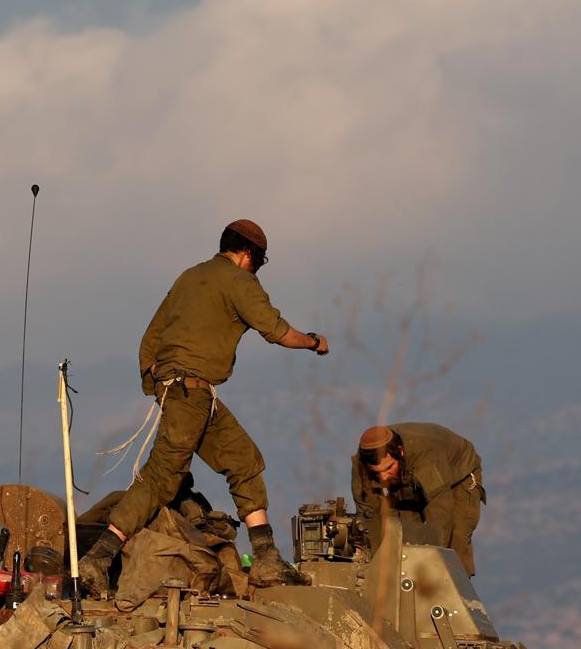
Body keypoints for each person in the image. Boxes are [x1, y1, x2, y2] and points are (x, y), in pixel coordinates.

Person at [75, 219, 329, 595]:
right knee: (161, 479)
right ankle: (97, 559)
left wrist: (160, 384)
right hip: (190, 395)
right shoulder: (239, 281)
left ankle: (265, 558)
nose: (257, 270)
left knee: (243, 460)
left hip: (191, 395)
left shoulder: (189, 277)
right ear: (248, 254)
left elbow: (151, 339)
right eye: (259, 262)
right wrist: (313, 342)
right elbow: (276, 331)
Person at [351, 423, 485, 575]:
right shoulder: (361, 467)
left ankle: (448, 584)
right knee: (402, 536)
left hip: (458, 476)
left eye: (388, 468)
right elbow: (370, 517)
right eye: (377, 472)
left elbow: (440, 512)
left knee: (454, 541)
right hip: (406, 481)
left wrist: (430, 561)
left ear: (400, 452)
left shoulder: (425, 455)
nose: (383, 477)